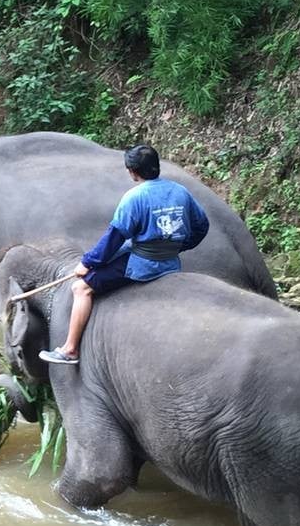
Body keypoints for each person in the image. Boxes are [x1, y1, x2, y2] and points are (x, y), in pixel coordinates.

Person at [39, 143, 210, 366]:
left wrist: (87, 263)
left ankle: (70, 349)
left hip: (144, 263)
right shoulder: (180, 191)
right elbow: (202, 225)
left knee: (80, 288)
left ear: (132, 171)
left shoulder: (134, 197)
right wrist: (180, 246)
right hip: (170, 260)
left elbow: (114, 238)